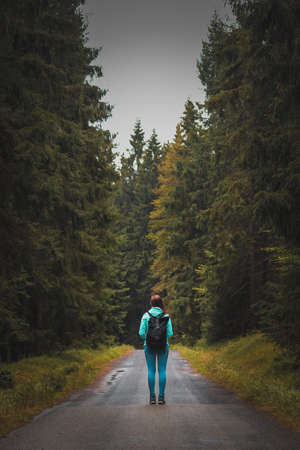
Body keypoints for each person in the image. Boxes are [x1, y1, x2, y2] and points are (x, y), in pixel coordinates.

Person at [139, 294, 173, 405]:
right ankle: (161, 397)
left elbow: (141, 333)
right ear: (160, 303)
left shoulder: (145, 316)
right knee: (162, 370)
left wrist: (148, 339)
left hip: (149, 346)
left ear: (151, 304)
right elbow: (170, 333)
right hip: (163, 346)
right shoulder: (166, 316)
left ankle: (152, 397)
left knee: (151, 371)